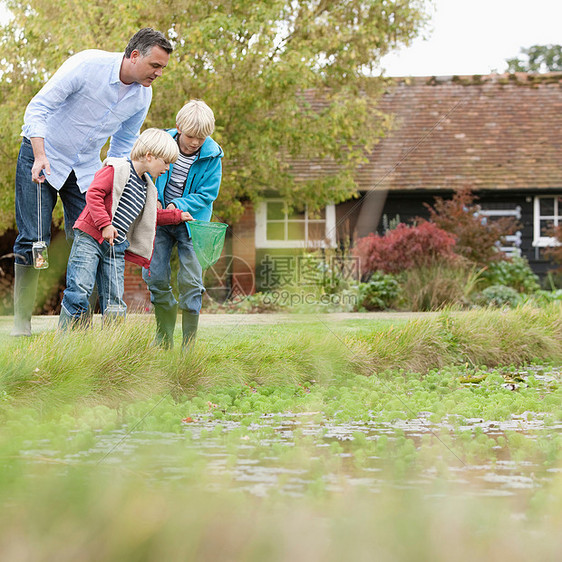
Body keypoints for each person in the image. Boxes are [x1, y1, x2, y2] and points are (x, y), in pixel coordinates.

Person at [12, 27, 173, 336]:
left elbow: (124, 145)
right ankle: (21, 323)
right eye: (155, 65)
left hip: (85, 168)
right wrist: (40, 154)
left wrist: (119, 183)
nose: (159, 73)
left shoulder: (143, 95)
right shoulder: (88, 66)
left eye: (163, 68)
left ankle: (77, 325)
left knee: (91, 239)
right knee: (34, 239)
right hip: (42, 153)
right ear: (134, 55)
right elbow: (38, 108)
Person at [58, 128, 192, 329]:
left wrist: (177, 216)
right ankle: (67, 341)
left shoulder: (148, 187)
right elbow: (93, 193)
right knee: (80, 289)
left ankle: (112, 345)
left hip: (115, 247)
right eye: (165, 162)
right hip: (90, 238)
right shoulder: (117, 169)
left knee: (114, 299)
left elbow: (151, 216)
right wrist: (105, 224)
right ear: (149, 156)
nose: (168, 167)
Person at [142, 100, 223, 349]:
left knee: (191, 281)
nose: (195, 142)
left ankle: (188, 345)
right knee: (154, 274)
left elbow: (207, 193)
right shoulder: (159, 144)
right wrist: (153, 199)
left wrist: (178, 204)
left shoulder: (212, 156)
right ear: (178, 128)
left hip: (192, 224)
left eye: (201, 137)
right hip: (159, 221)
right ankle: (164, 337)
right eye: (190, 136)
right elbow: (143, 172)